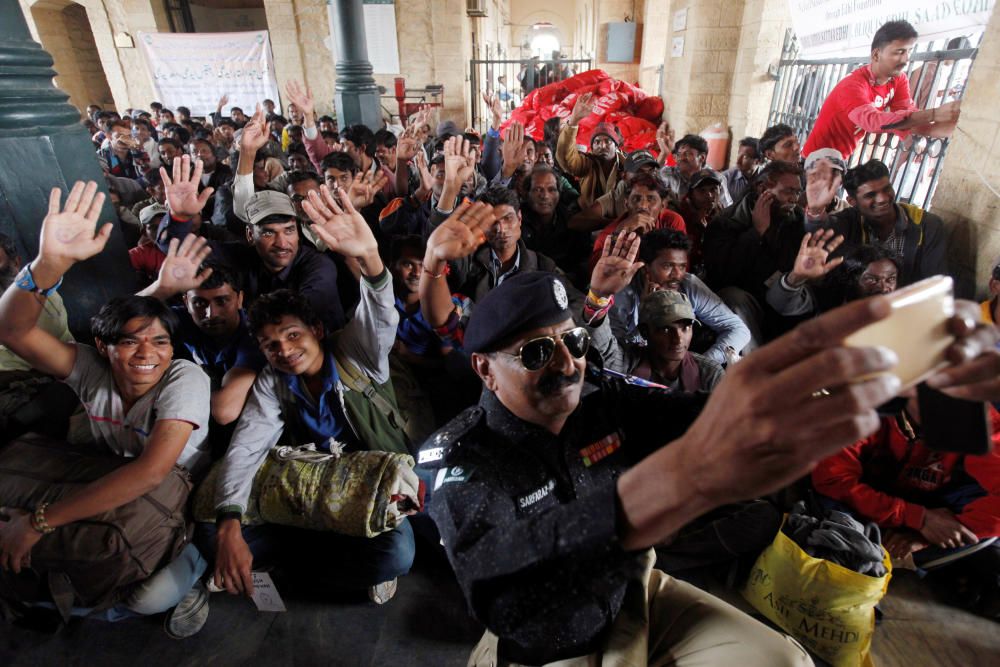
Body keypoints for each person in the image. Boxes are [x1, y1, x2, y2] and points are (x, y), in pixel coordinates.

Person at [0, 182, 212, 638]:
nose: (147, 354)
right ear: (103, 347)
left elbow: (152, 473)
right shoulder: (89, 366)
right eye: (130, 342)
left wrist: (40, 523)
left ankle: (196, 566)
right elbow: (13, 332)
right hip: (110, 478)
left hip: (181, 499)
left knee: (146, 598)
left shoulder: (184, 378)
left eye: (160, 342)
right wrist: (46, 268)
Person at [205, 185, 414, 606]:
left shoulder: (357, 355)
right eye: (271, 345)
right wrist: (228, 521)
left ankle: (308, 571)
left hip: (376, 475)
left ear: (316, 331)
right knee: (216, 531)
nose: (285, 351)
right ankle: (328, 564)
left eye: (293, 335)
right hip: (316, 484)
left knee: (397, 552)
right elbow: (247, 446)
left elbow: (380, 314)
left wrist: (370, 258)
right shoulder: (273, 380)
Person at [811, 396, 1000, 619]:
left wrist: (926, 535)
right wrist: (916, 517)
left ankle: (883, 559)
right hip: (863, 504)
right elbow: (833, 480)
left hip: (937, 511)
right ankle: (867, 567)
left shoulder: (980, 418)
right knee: (830, 520)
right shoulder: (862, 402)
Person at [139, 239, 264, 431]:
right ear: (186, 302)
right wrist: (160, 289)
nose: (210, 314)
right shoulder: (181, 318)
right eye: (199, 303)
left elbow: (224, 411)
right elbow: (114, 321)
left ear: (239, 299)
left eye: (222, 301)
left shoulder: (254, 335)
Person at [802, 20, 961, 159]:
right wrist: (934, 114)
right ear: (877, 55)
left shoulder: (899, 79)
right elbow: (872, 122)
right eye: (899, 52)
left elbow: (909, 118)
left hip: (839, 158)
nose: (906, 59)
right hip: (814, 161)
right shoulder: (853, 85)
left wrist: (945, 128)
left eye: (908, 52)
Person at [703, 160, 808, 348]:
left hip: (780, 300)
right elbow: (722, 275)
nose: (794, 198)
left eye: (797, 192)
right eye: (788, 191)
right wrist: (756, 233)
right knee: (733, 297)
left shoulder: (796, 219)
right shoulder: (727, 222)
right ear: (762, 189)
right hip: (746, 303)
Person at [609, 229, 751, 361]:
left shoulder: (689, 285)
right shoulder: (622, 293)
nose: (677, 275)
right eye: (668, 266)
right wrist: (644, 316)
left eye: (682, 266)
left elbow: (738, 329)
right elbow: (617, 352)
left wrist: (702, 366)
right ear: (646, 268)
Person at [812, 159, 948, 285]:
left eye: (886, 189)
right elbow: (818, 232)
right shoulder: (848, 221)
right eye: (870, 195)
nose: (882, 198)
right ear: (852, 202)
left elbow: (933, 282)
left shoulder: (927, 225)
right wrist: (816, 211)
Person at [588, 174, 686, 271]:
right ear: (626, 204)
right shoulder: (613, 231)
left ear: (663, 205)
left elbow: (682, 266)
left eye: (651, 199)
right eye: (636, 199)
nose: (643, 205)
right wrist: (619, 234)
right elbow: (594, 272)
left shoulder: (672, 221)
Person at [556, 93, 625, 207]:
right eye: (597, 142)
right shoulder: (587, 164)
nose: (602, 146)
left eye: (607, 141)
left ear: (616, 146)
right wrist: (574, 120)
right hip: (589, 220)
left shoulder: (626, 164)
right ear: (592, 148)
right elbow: (566, 158)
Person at [659, 134, 732, 207]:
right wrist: (663, 155)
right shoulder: (670, 173)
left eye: (687, 154)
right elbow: (650, 180)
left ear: (702, 158)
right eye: (679, 154)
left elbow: (727, 209)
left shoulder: (716, 179)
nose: (681, 158)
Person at [723, 137, 761, 202]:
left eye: (745, 157)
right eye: (738, 154)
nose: (738, 160)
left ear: (757, 161)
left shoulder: (766, 179)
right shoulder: (726, 177)